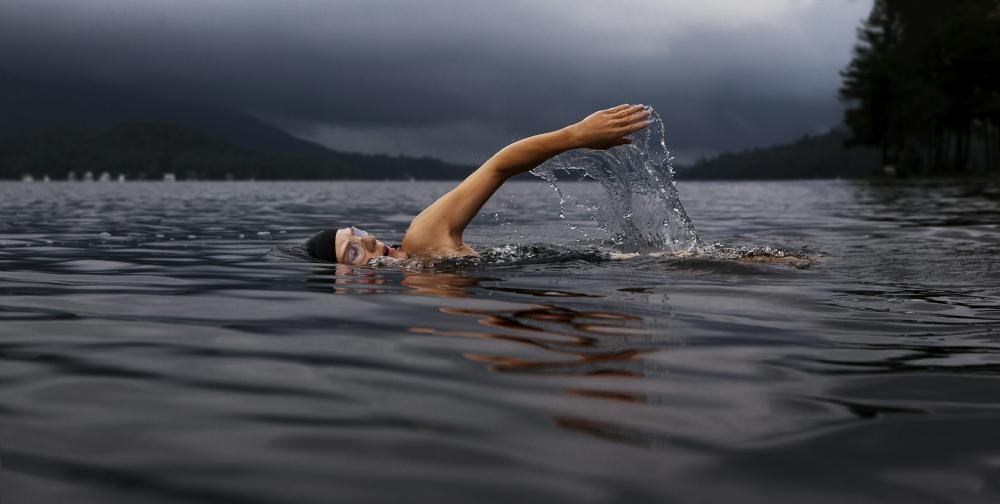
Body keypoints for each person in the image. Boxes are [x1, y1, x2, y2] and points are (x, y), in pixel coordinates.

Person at [306, 104, 651, 264]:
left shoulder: (422, 240)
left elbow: (498, 167)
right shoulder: (419, 281)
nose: (368, 243)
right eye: (352, 252)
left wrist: (575, 135)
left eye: (358, 234)